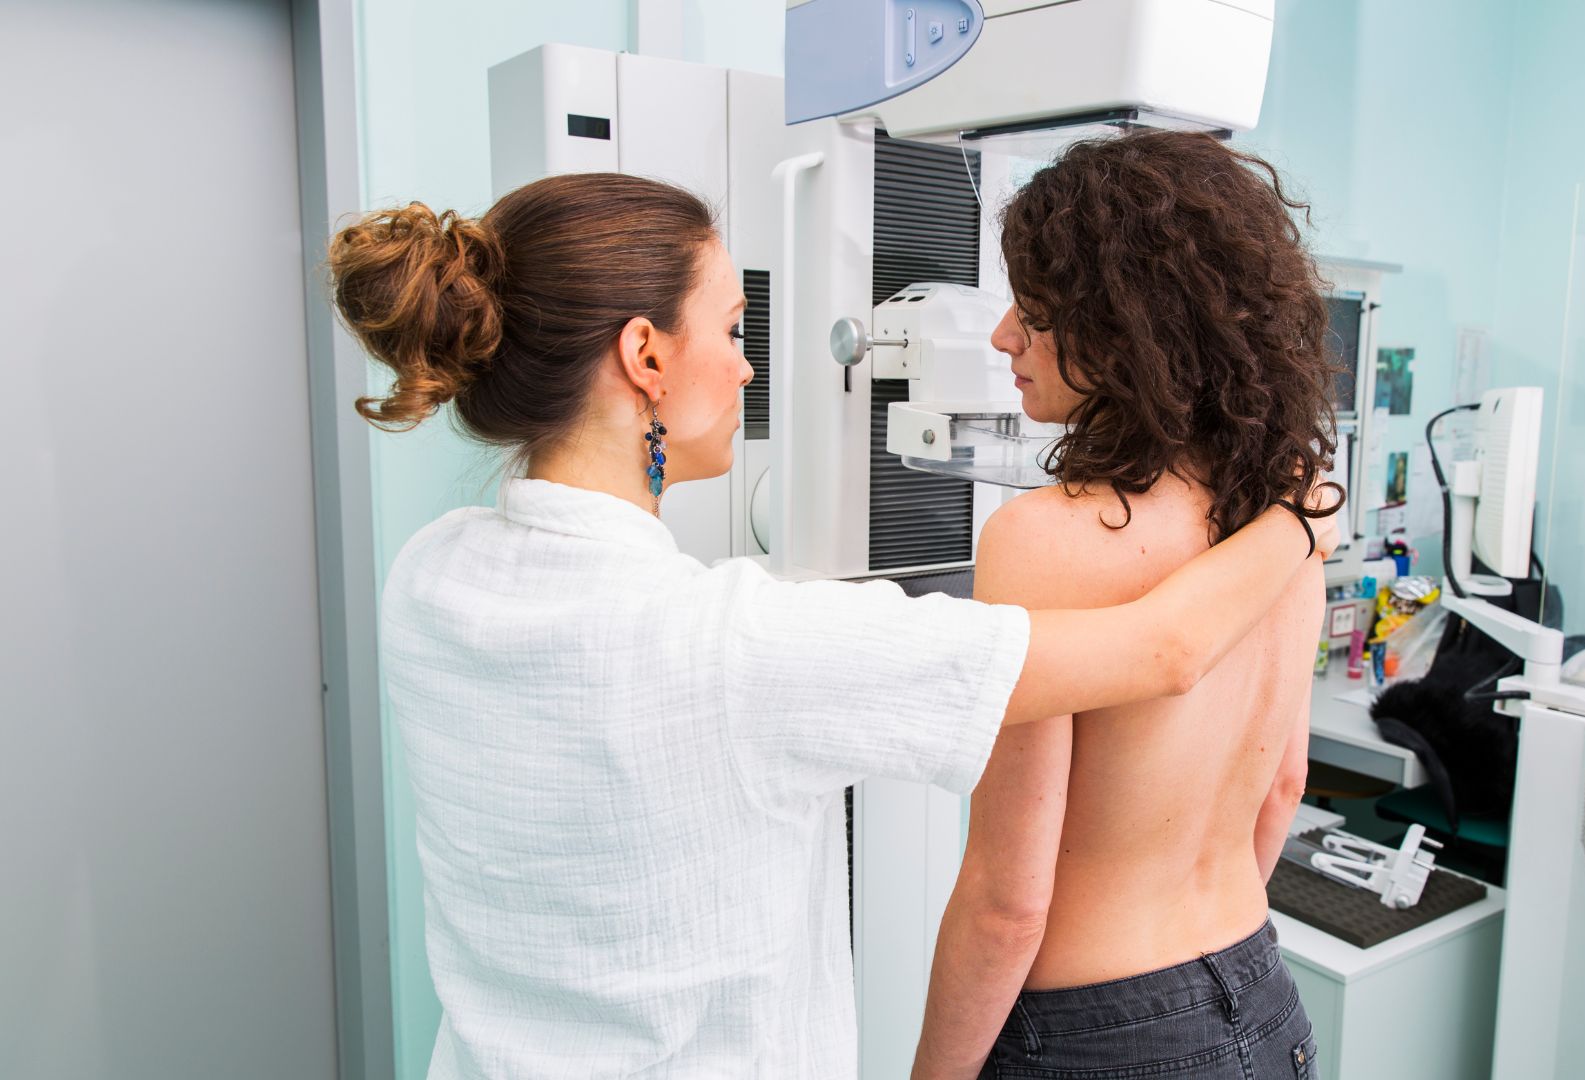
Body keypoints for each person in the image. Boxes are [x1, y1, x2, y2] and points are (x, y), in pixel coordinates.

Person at [327, 171, 1338, 1079]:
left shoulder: (427, 577)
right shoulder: (742, 646)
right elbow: (1169, 656)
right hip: (1255, 987)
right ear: (644, 356)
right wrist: (1304, 512)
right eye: (731, 330)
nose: (747, 367)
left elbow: (1017, 886)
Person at [914, 131, 1342, 1079]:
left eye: (1032, 311)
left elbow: (1008, 895)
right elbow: (1281, 790)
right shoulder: (1290, 515)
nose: (1002, 338)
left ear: (1122, 327)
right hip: (1264, 994)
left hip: (1094, 1032)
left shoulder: (1045, 540)